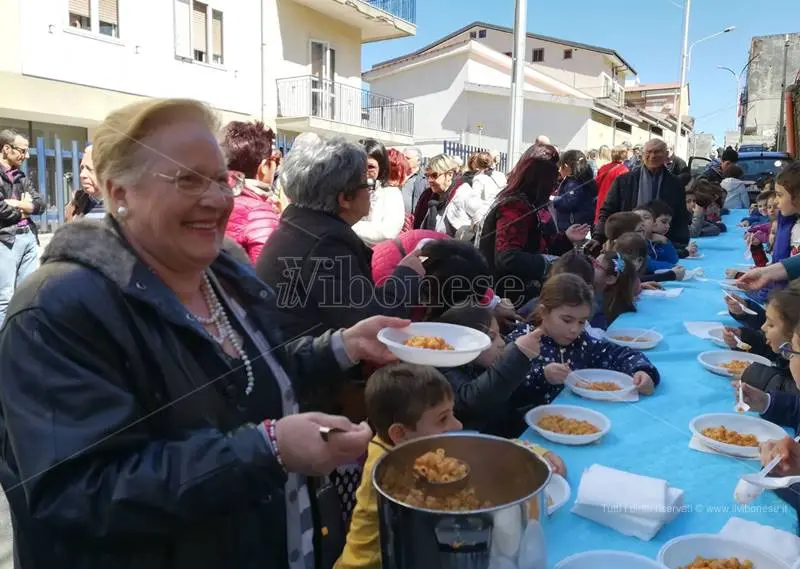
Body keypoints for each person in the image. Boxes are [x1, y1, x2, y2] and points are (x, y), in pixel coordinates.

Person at [0, 97, 409, 569]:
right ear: (119, 192)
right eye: (187, 179)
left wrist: (342, 345)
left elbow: (250, 373)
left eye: (220, 179)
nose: (215, 199)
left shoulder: (224, 268)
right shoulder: (56, 311)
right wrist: (267, 450)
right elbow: (77, 495)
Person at [256, 135, 424, 341]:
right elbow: (372, 322)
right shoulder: (327, 243)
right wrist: (407, 274)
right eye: (366, 184)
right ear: (345, 198)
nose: (370, 191)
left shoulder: (299, 221)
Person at [334, 363, 463, 569]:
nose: (458, 426)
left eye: (452, 414)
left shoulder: (395, 444)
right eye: (443, 419)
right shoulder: (389, 469)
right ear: (400, 434)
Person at [506, 273, 659, 409]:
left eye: (581, 322)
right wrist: (542, 376)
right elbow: (506, 392)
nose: (574, 329)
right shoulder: (520, 342)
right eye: (567, 320)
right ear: (544, 312)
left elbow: (619, 353)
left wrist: (642, 371)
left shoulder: (581, 342)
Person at [478, 144, 590, 305]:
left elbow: (537, 243)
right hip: (509, 296)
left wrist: (566, 238)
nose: (555, 187)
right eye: (552, 182)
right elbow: (507, 258)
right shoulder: (514, 207)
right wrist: (549, 263)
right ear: (539, 180)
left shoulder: (529, 205)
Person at [596, 139, 690, 247]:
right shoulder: (624, 180)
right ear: (642, 155)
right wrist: (598, 237)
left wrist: (681, 244)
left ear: (666, 155)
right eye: (648, 152)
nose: (652, 155)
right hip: (628, 239)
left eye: (657, 151)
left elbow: (680, 215)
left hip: (662, 241)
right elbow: (607, 210)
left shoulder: (675, 183)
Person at [221, 120, 281, 264]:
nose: (276, 168)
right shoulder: (259, 212)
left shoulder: (206, 197)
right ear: (264, 166)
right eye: (275, 162)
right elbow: (267, 278)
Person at [724, 281, 800, 395]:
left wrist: (759, 378)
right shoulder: (788, 352)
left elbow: (794, 399)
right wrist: (744, 338)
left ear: (793, 333)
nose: (763, 327)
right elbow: (776, 354)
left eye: (771, 324)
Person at [0, 129, 43, 327]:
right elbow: (2, 210)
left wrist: (18, 205)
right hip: (6, 241)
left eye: (27, 152)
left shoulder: (21, 176)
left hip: (28, 237)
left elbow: (40, 204)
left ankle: (20, 343)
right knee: (5, 298)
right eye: (22, 151)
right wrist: (25, 210)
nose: (25, 156)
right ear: (6, 149)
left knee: (27, 296)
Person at [352, 147, 407, 246]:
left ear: (381, 168)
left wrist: (349, 225)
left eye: (370, 167)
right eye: (360, 166)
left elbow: (388, 232)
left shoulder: (391, 193)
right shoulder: (348, 189)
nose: (365, 171)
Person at [552, 149, 597, 231]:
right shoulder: (584, 179)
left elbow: (568, 203)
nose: (559, 170)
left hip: (572, 225)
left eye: (560, 167)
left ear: (566, 166)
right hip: (581, 223)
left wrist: (553, 200)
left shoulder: (573, 183)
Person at [634, 201, 681, 272]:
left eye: (646, 218)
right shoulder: (631, 241)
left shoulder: (654, 240)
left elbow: (673, 260)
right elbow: (646, 264)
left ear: (653, 223)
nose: (641, 220)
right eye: (636, 218)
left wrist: (666, 242)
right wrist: (672, 268)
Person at [65, 145, 106, 221]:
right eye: (82, 168)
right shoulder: (77, 202)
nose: (82, 175)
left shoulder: (121, 204)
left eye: (89, 169)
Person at [594, 146, 629, 224]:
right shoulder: (624, 170)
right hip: (614, 202)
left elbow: (597, 184)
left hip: (601, 199)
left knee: (600, 223)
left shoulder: (603, 168)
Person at [401, 146, 427, 214]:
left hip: (414, 220)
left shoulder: (425, 178)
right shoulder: (398, 175)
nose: (404, 160)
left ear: (418, 161)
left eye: (408, 158)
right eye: (403, 158)